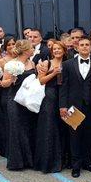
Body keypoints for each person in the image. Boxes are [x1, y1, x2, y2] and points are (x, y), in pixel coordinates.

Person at [59, 37, 91, 178]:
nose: (84, 47)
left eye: (87, 45)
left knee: (89, 135)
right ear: (77, 47)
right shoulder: (68, 64)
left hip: (90, 106)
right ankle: (76, 166)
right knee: (74, 136)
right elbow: (64, 87)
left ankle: (88, 163)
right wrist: (62, 106)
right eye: (81, 45)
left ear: (90, 47)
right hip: (73, 106)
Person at [0, 40, 37, 170]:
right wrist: (11, 79)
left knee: (29, 128)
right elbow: (3, 83)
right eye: (32, 48)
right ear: (26, 50)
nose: (34, 50)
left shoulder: (32, 63)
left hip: (28, 101)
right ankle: (17, 161)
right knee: (17, 129)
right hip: (14, 100)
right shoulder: (11, 64)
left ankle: (29, 159)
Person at [34, 41, 67, 173]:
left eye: (59, 49)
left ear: (64, 50)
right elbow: (41, 81)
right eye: (55, 49)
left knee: (62, 127)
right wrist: (53, 73)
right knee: (49, 127)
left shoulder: (68, 63)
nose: (57, 51)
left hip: (63, 97)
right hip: (49, 96)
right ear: (52, 51)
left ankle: (62, 160)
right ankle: (48, 162)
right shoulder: (47, 63)